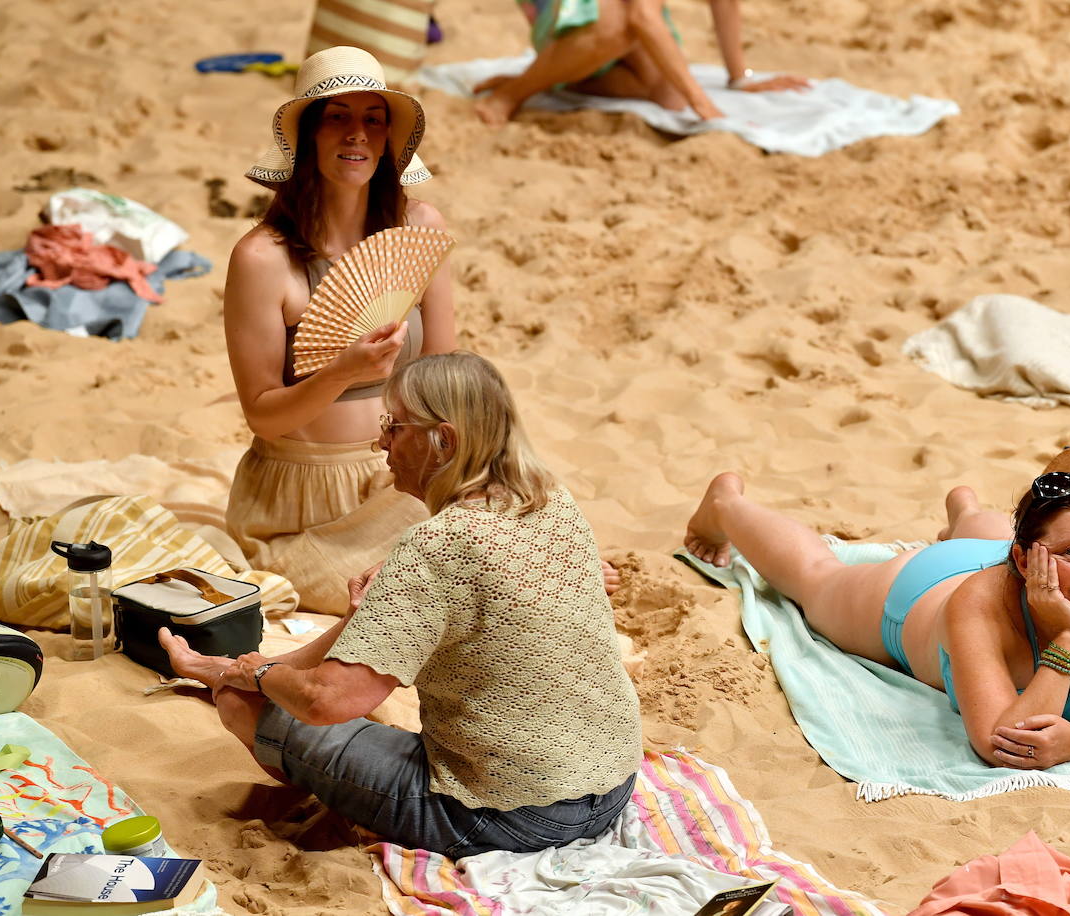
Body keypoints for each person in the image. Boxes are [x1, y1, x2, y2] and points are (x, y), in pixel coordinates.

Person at [160, 351, 643, 856]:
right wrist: (235, 665)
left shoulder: (440, 545)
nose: (381, 442)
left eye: (394, 426)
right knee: (257, 686)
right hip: (609, 783)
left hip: (510, 816)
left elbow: (328, 702)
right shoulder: (550, 500)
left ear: (445, 440)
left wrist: (253, 675)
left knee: (244, 705)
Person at [683, 449, 1070, 770]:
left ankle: (965, 512)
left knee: (996, 539)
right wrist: (1065, 637)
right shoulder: (976, 601)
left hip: (1006, 556)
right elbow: (1002, 743)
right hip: (924, 593)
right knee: (818, 581)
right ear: (1025, 559)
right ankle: (726, 504)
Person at [225, 45, 451, 615]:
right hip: (304, 499)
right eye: (337, 117)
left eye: (372, 120)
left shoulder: (418, 227)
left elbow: (447, 374)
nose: (357, 135)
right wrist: (341, 373)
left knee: (503, 553)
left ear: (389, 139)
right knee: (411, 594)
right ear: (308, 138)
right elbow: (262, 413)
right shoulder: (263, 259)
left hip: (407, 473)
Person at [474, 0, 810, 125]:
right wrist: (702, 102)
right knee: (619, 25)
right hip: (573, 15)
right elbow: (642, 17)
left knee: (669, 96)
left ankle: (550, 76)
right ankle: (512, 93)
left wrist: (740, 77)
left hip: (626, 19)